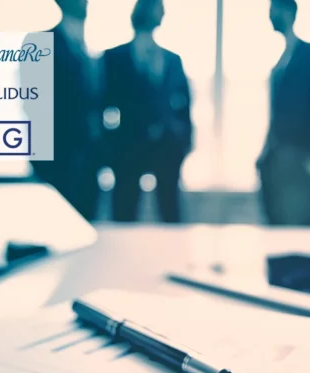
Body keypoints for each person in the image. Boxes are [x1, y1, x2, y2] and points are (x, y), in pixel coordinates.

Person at [102, 0, 193, 223]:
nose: (163, 13)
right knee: (124, 211)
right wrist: (110, 145)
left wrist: (184, 139)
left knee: (170, 212)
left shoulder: (172, 59)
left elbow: (185, 104)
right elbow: (104, 104)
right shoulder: (115, 57)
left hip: (167, 147)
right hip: (128, 148)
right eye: (158, 7)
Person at [21, 0, 104, 220]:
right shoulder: (39, 42)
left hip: (88, 159)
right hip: (57, 160)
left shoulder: (88, 50)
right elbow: (33, 103)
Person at [257, 0, 310, 226]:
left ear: (288, 12)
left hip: (300, 159)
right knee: (277, 227)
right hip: (275, 159)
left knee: (301, 229)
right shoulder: (280, 61)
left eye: (273, 10)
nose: (270, 15)